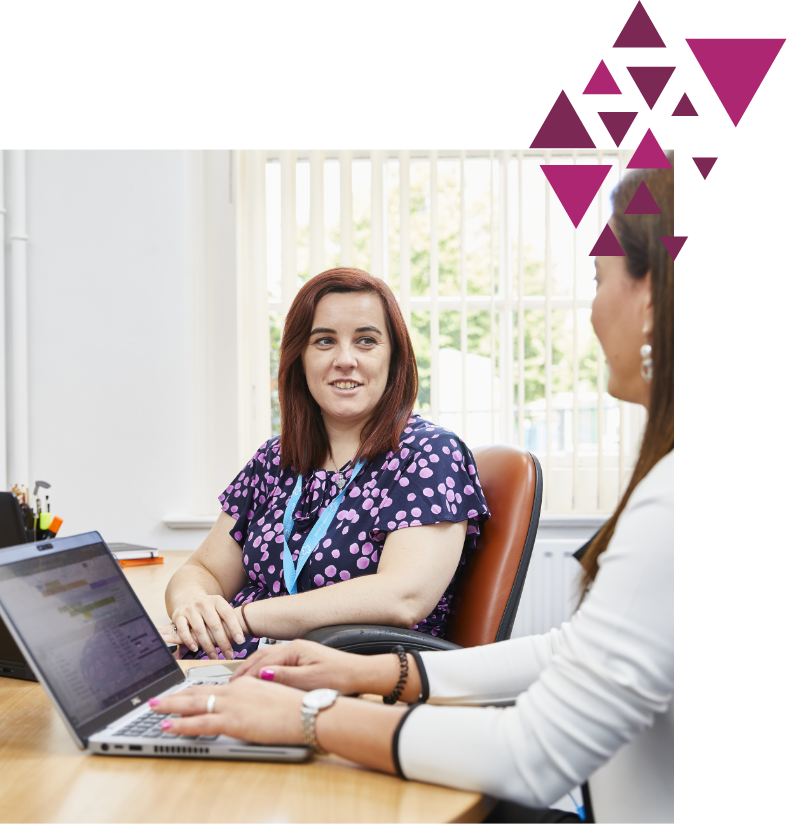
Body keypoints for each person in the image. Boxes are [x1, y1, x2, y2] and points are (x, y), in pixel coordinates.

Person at [152, 158, 674, 824]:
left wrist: (311, 714)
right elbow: (566, 650)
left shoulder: (662, 500)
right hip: (277, 677)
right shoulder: (272, 461)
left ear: (651, 299)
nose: (592, 307)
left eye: (597, 280)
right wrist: (356, 673)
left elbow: (532, 750)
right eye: (324, 341)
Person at [161, 268, 490, 662]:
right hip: (227, 671)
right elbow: (203, 569)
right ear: (300, 358)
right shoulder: (274, 459)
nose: (345, 360)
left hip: (343, 684)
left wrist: (243, 617)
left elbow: (402, 596)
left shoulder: (429, 454)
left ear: (394, 357)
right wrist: (194, 603)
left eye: (366, 341)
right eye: (324, 341)